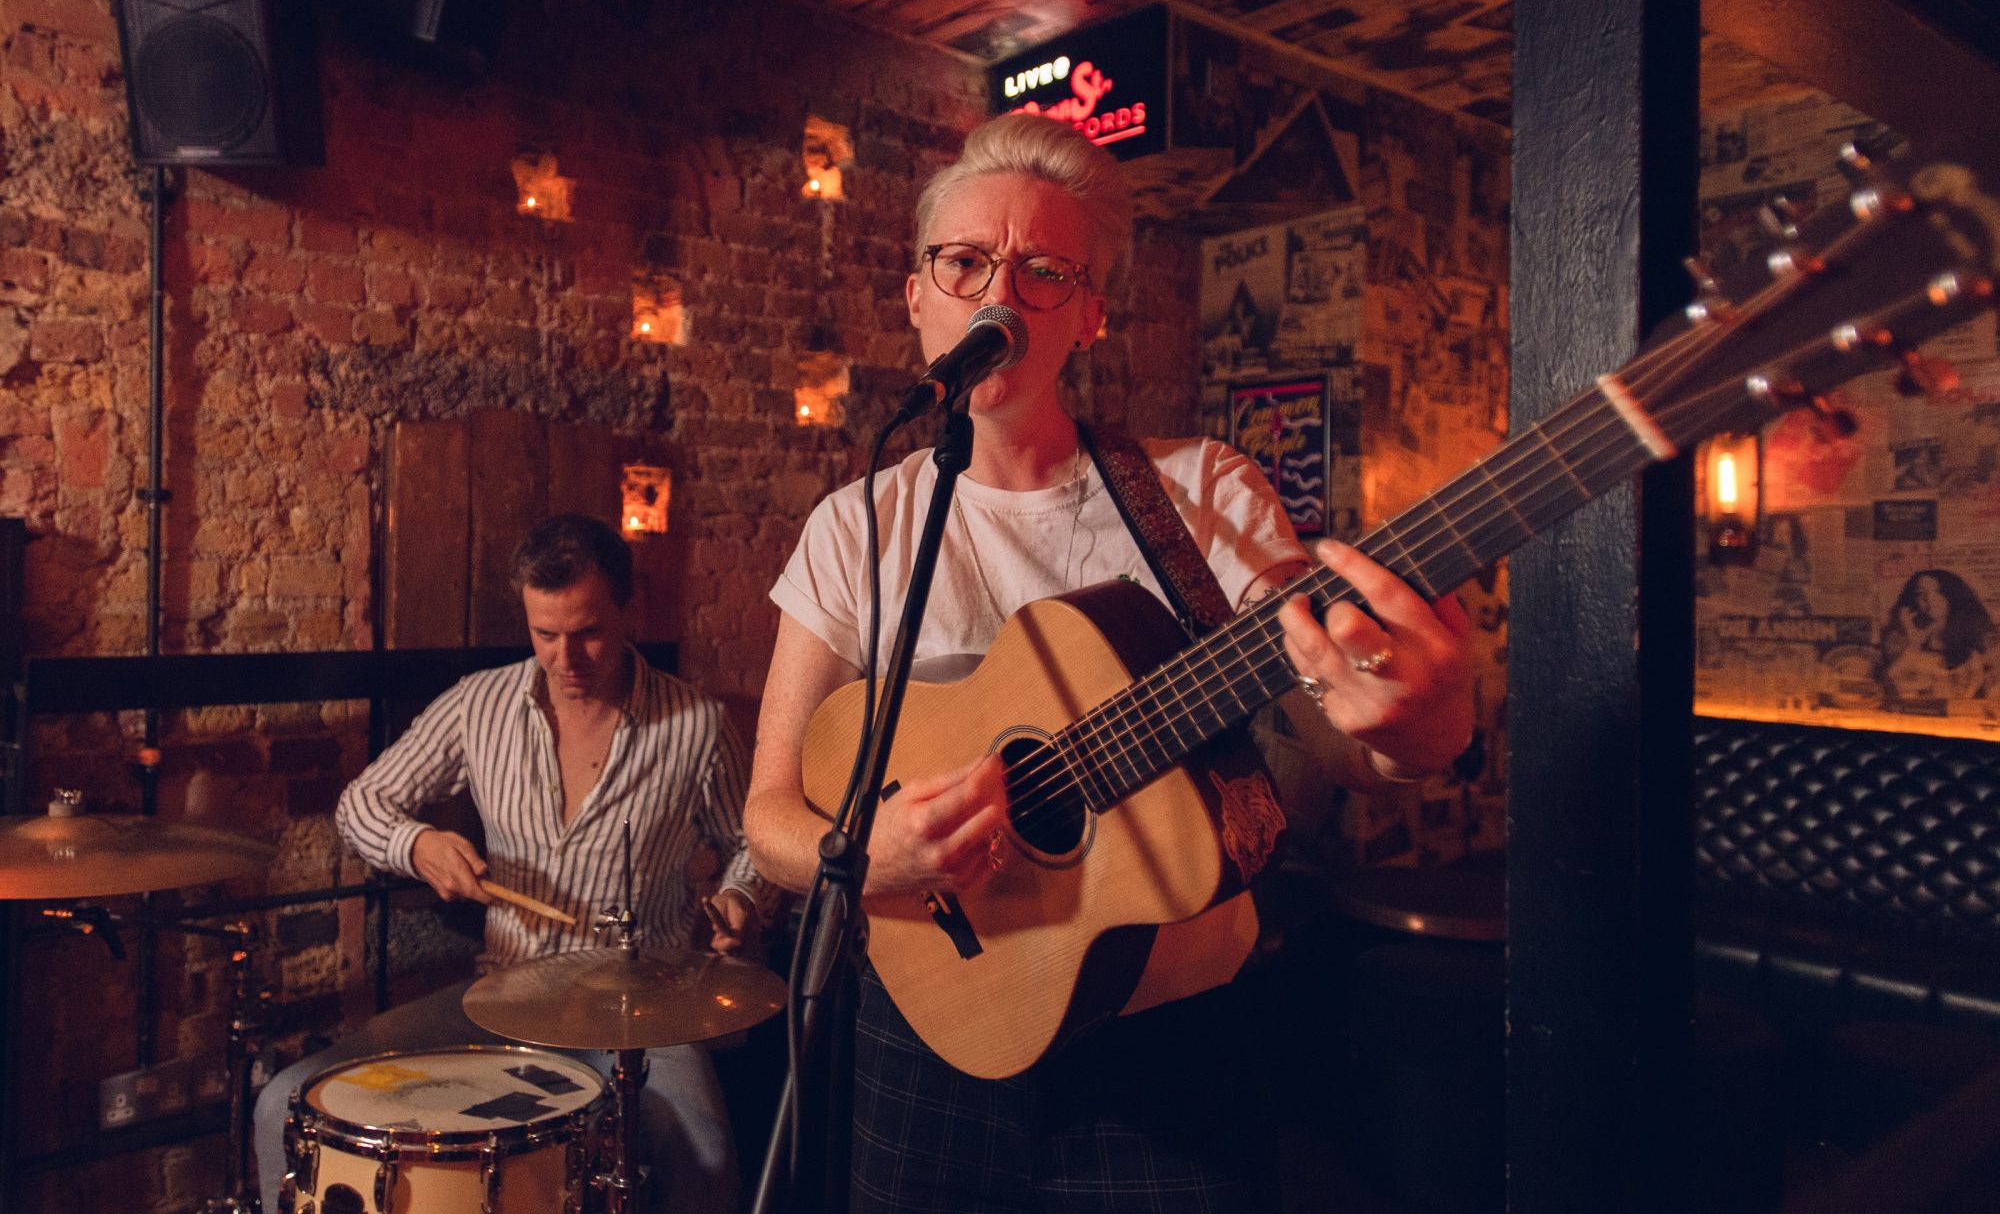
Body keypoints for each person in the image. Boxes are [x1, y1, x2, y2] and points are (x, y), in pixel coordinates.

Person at [743, 113, 1476, 1212]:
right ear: (917, 298)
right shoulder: (856, 527)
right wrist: (869, 851)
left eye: (1042, 270)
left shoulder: (1201, 493)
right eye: (964, 262)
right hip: (931, 1028)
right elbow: (766, 817)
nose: (999, 292)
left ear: (1087, 314)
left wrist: (1416, 733)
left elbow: (1331, 724)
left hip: (1171, 1047)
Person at [253, 513, 765, 1214]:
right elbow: (361, 802)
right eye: (544, 634)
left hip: (639, 1014)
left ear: (628, 609)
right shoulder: (479, 704)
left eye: (586, 631)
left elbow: (753, 843)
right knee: (284, 1099)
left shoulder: (696, 723)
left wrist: (741, 897)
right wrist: (419, 843)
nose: (565, 657)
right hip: (501, 999)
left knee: (703, 1154)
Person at [1877, 567, 1995, 703]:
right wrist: (1914, 643)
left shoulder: (1977, 635)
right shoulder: (1901, 636)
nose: (1928, 599)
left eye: (1937, 592)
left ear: (1952, 595)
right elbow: (1890, 683)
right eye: (1920, 594)